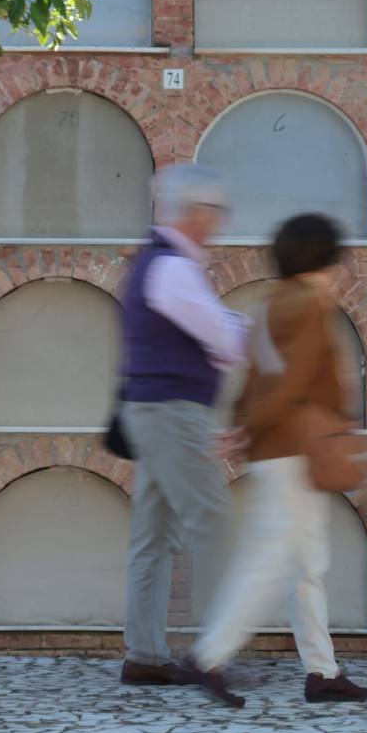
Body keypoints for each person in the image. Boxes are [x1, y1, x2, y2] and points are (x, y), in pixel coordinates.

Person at [183, 213, 367, 708]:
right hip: (293, 447)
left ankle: (322, 671)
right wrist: (249, 428)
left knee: (307, 562)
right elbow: (291, 381)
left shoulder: (270, 303)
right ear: (323, 255)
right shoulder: (310, 304)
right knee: (270, 558)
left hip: (279, 447)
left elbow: (253, 372)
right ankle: (209, 655)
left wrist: (241, 426)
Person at [117, 163, 249, 687]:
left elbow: (210, 335)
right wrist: (259, 331)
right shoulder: (173, 268)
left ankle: (145, 656)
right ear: (195, 213)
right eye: (216, 211)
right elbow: (225, 340)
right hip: (173, 414)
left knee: (152, 536)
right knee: (215, 523)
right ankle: (212, 656)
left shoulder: (156, 262)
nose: (219, 221)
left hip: (150, 411)